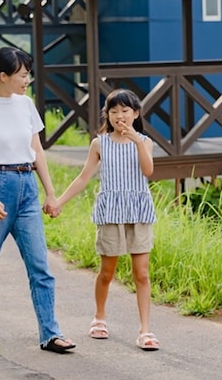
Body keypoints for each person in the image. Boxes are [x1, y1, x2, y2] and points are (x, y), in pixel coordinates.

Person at [0, 46, 76, 354]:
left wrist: (50, 193)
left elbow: (37, 151)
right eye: (23, 75)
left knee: (41, 266)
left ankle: (50, 333)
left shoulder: (25, 105)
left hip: (27, 188)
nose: (28, 80)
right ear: (3, 76)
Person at [46, 88, 159, 351]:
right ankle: (99, 317)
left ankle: (145, 330)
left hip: (139, 212)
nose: (120, 116)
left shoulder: (145, 141)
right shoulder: (100, 143)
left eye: (125, 111)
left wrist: (136, 140)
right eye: (114, 111)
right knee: (107, 272)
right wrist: (59, 202)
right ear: (107, 115)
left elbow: (148, 171)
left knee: (141, 273)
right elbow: (83, 177)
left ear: (136, 114)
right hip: (110, 214)